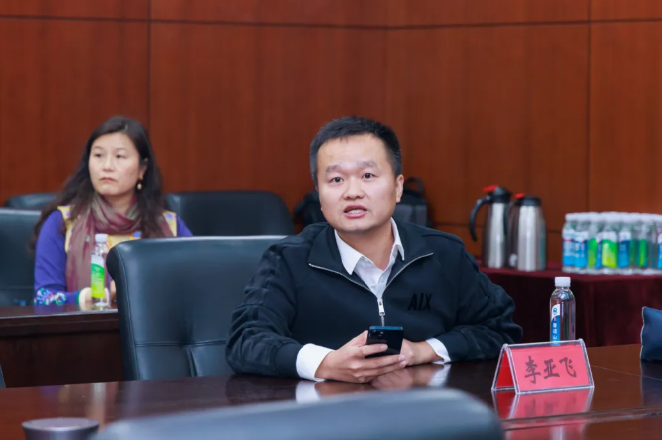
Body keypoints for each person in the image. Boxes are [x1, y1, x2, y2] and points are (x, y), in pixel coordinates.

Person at [226, 116, 522, 383]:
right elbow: (246, 342)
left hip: (422, 412)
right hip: (325, 415)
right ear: (319, 194)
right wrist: (326, 364)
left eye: (367, 176)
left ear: (398, 187)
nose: (352, 192)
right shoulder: (288, 260)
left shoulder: (443, 254)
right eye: (336, 180)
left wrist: (422, 351)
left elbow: (500, 330)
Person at [32, 116, 192, 306]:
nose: (107, 166)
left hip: (157, 325)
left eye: (119, 157)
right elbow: (43, 298)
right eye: (98, 155)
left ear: (142, 168)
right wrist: (93, 297)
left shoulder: (170, 226)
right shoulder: (63, 223)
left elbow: (197, 287)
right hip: (83, 325)